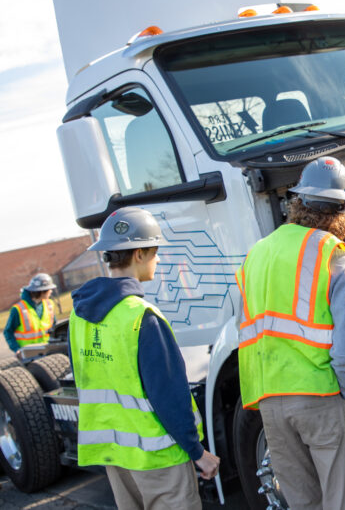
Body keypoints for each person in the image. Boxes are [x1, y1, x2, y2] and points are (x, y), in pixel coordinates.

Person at [69, 207, 220, 510]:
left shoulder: (78, 315)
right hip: (160, 460)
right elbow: (168, 395)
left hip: (117, 458)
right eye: (155, 252)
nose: (159, 259)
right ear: (138, 253)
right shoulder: (142, 317)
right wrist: (197, 451)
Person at [237, 156, 345, 509]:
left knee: (301, 501)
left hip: (268, 399)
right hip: (318, 394)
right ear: (342, 213)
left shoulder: (256, 254)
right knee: (342, 498)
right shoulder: (336, 255)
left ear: (296, 204)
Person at [4, 273, 57, 357]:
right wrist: (16, 349)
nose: (51, 291)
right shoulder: (18, 309)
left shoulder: (49, 304)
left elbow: (54, 326)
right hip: (28, 353)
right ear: (42, 291)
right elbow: (8, 331)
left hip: (48, 349)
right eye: (49, 289)